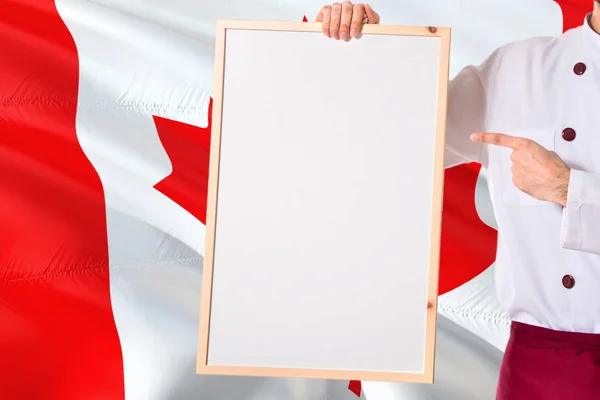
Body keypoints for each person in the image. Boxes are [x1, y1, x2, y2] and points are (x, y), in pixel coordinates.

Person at [315, 2, 600, 399]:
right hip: (538, 369)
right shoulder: (514, 68)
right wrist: (366, 51)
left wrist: (568, 190)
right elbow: (401, 143)